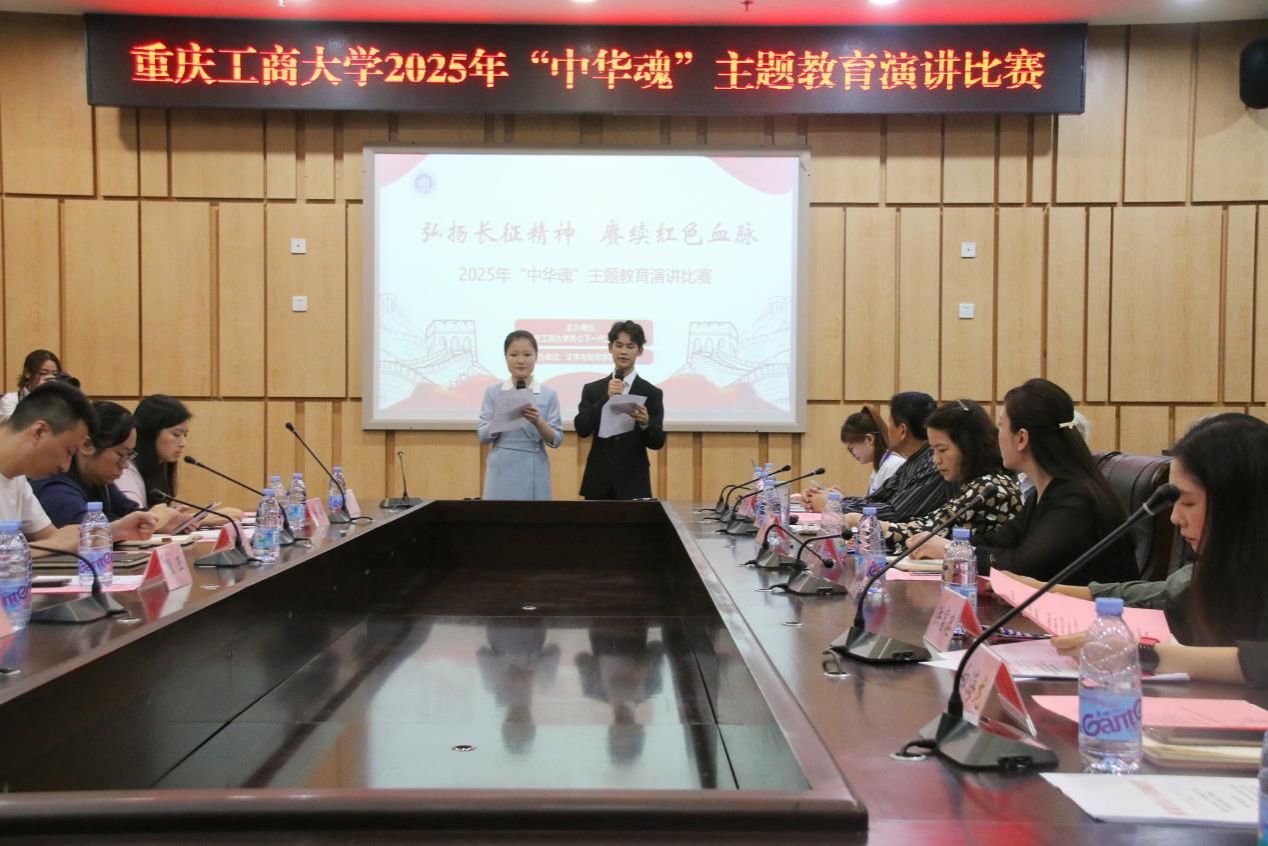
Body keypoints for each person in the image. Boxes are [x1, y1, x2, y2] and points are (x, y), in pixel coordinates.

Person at [1033, 414, 1268, 688]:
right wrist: (1049, 591)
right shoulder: (1222, 568)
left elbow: (1260, 660)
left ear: (1239, 506)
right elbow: (1165, 596)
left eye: (1188, 503)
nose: (1175, 517)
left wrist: (1142, 654)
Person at [915, 378, 1136, 586]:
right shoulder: (1045, 492)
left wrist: (952, 550)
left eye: (1001, 425)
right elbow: (999, 541)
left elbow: (1023, 566)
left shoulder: (1076, 499)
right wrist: (947, 545)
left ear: (1022, 438)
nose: (997, 435)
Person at [0, 382, 155, 552]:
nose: (65, 467)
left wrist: (116, 531)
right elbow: (54, 544)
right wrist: (54, 545)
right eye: (68, 451)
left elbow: (55, 539)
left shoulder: (18, 479)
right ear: (39, 432)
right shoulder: (45, 483)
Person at [855, 399, 1022, 546]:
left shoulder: (989, 488)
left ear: (968, 447)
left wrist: (859, 520)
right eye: (933, 450)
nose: (935, 460)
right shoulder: (974, 483)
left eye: (942, 450)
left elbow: (926, 534)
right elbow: (927, 524)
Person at [31, 401, 185, 532]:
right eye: (121, 454)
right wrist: (153, 521)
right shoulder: (53, 486)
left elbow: (130, 513)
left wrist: (168, 519)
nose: (126, 465)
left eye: (130, 455)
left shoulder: (99, 481)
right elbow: (89, 532)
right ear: (87, 445)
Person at [805, 391, 955, 522]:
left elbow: (895, 513)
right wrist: (833, 500)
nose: (886, 429)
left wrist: (834, 505)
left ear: (902, 430)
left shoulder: (934, 464)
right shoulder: (911, 462)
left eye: (890, 422)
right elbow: (875, 499)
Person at [574, 320, 665, 500]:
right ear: (610, 348)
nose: (623, 351)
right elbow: (582, 428)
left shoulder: (651, 392)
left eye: (630, 346)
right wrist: (606, 398)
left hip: (634, 481)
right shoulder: (593, 389)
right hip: (598, 481)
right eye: (619, 345)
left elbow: (657, 442)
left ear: (640, 351)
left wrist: (645, 423)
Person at [117, 395, 242, 524]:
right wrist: (201, 519)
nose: (183, 443)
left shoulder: (156, 470)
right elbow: (137, 523)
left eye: (185, 435)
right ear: (150, 434)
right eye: (176, 434)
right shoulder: (125, 473)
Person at [477, 330, 564, 500]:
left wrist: (538, 421)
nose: (521, 360)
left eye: (527, 354)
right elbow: (482, 437)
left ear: (536, 356)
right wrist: (502, 418)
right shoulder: (493, 392)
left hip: (534, 464)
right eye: (514, 354)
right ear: (506, 357)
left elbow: (557, 440)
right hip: (501, 466)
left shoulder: (548, 394)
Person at [839, 404, 905, 496]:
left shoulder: (892, 466)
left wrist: (841, 501)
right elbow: (871, 502)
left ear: (869, 439)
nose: (852, 455)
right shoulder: (882, 465)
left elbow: (882, 505)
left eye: (851, 449)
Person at [0, 349, 62, 424]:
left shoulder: (59, 400)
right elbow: (10, 426)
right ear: (28, 373)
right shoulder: (10, 399)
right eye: (43, 373)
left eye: (55, 374)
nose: (50, 378)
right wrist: (38, 394)